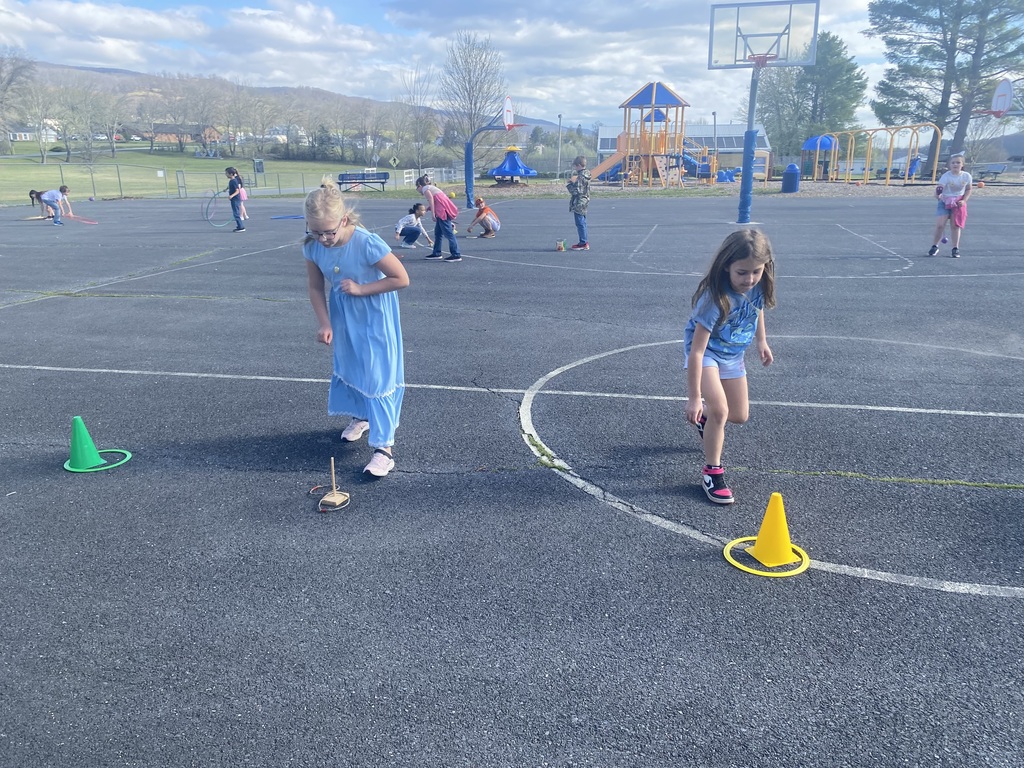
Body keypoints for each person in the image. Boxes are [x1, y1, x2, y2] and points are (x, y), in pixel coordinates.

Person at [303, 177, 410, 478]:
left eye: (329, 232)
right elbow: (314, 287)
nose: (323, 238)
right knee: (352, 369)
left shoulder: (365, 242)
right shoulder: (313, 247)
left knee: (378, 376)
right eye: (315, 231)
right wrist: (324, 322)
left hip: (375, 318)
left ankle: (384, 450)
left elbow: (400, 278)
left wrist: (362, 289)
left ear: (344, 219)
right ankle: (361, 417)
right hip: (344, 319)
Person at [684, 229, 777, 505]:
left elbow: (757, 308)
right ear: (727, 266)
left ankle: (706, 422)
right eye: (742, 272)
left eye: (756, 271)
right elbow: (697, 351)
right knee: (720, 410)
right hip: (708, 355)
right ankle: (712, 472)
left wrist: (762, 341)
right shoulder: (715, 299)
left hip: (733, 355)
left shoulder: (758, 286)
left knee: (738, 415)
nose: (749, 279)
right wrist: (693, 398)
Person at [928, 153, 971, 259]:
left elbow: (969, 189)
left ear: (962, 164)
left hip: (958, 203)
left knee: (955, 226)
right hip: (945, 201)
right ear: (949, 165)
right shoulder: (946, 176)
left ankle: (955, 248)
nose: (955, 164)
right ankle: (935, 246)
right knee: (940, 225)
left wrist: (964, 200)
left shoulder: (966, 176)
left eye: (958, 162)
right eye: (953, 163)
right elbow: (940, 188)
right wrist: (938, 194)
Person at [416, 175, 462, 262]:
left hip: (442, 212)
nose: (417, 190)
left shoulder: (425, 189)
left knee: (449, 234)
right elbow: (437, 200)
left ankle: (456, 254)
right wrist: (427, 208)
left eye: (416, 188)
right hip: (442, 210)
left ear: (419, 185)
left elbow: (432, 201)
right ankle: (437, 253)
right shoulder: (431, 187)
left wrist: (433, 214)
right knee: (438, 233)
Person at [566, 155, 591, 250]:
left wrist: (570, 184)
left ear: (579, 165)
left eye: (576, 166)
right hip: (585, 200)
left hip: (579, 202)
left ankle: (583, 243)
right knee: (583, 222)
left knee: (580, 223)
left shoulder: (581, 177)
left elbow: (577, 191)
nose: (575, 168)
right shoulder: (587, 174)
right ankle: (584, 241)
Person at [225, 167, 245, 232]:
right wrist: (226, 189)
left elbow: (237, 191)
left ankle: (241, 227)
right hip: (234, 199)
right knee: (235, 213)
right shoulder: (232, 181)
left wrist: (231, 196)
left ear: (231, 174)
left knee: (236, 213)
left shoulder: (234, 181)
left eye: (226, 173)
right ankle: (239, 226)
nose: (225, 174)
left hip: (235, 199)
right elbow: (231, 187)